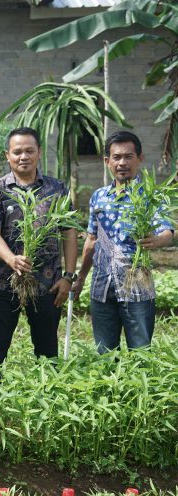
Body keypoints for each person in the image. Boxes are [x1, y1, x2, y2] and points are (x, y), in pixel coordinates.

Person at [0, 127, 77, 365]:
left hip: (47, 285)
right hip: (3, 282)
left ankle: (47, 388)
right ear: (7, 155)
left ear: (39, 152)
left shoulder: (57, 189)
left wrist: (68, 277)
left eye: (29, 151)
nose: (23, 156)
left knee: (47, 353)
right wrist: (11, 259)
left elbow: (69, 232)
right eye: (17, 152)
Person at [73, 131, 174, 353]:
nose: (122, 163)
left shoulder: (150, 196)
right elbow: (91, 240)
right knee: (105, 353)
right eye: (116, 157)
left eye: (128, 156)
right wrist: (80, 278)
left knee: (141, 351)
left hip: (136, 283)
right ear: (107, 161)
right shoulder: (99, 196)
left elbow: (167, 229)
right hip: (102, 285)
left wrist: (157, 240)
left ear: (140, 158)